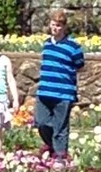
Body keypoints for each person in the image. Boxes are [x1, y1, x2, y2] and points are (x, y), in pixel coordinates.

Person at [35, 9, 85, 160]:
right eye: (52, 25)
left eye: (58, 25)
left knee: (60, 127)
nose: (55, 28)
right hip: (44, 91)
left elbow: (80, 65)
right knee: (41, 123)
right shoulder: (46, 45)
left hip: (63, 92)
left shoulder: (73, 47)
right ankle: (51, 145)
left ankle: (61, 156)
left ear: (63, 27)